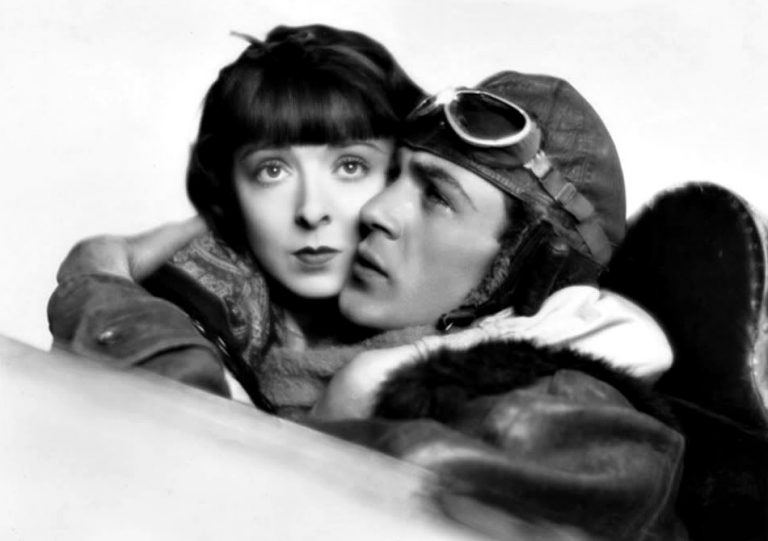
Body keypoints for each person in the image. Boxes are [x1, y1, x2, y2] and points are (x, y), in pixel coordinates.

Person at [50, 68, 684, 539]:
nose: (378, 210)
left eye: (436, 197)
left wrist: (103, 290)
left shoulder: (565, 412)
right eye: (393, 178)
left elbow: (237, 499)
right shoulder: (273, 332)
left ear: (524, 272)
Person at [49, 23, 425, 409]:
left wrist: (96, 265)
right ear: (230, 187)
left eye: (350, 166)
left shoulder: (443, 339)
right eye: (272, 171)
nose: (312, 211)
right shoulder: (207, 291)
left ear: (402, 173)